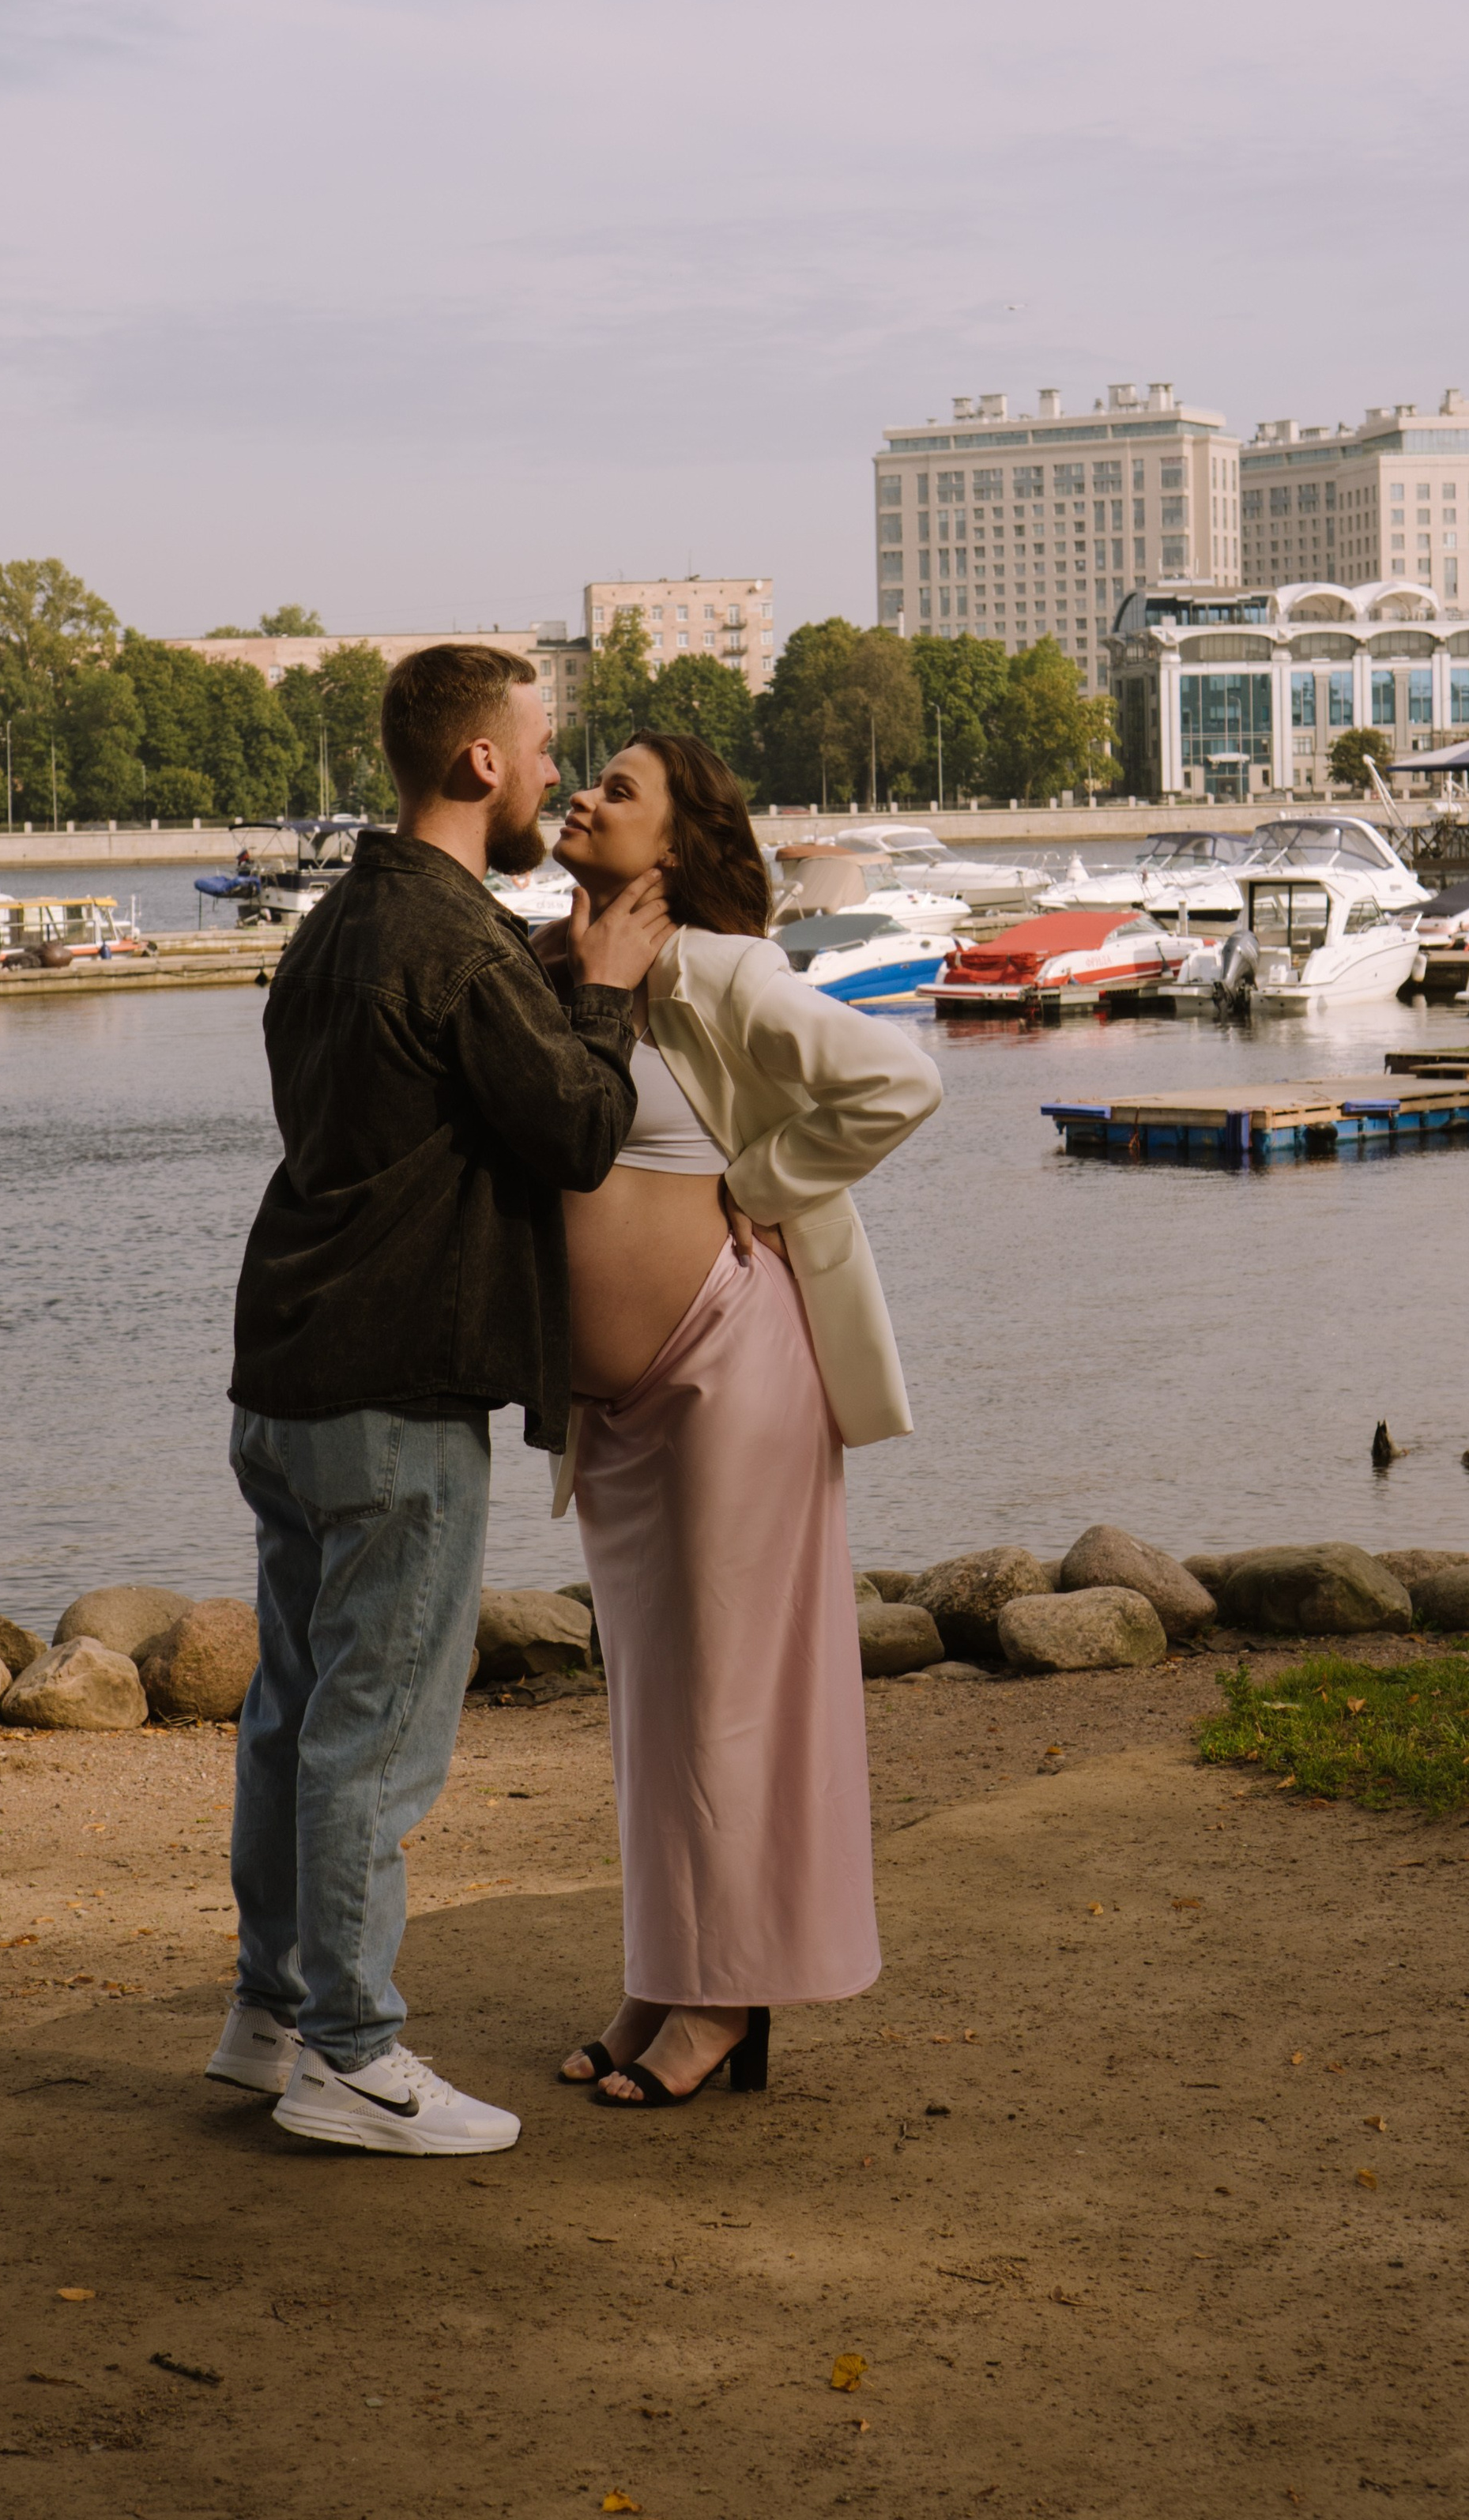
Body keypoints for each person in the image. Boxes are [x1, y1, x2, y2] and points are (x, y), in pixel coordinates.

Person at [209, 644, 673, 2157]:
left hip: (285, 1370)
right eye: (544, 746)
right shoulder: (462, 945)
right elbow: (582, 1130)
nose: (555, 770)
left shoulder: (342, 921)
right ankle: (351, 2055)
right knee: (376, 1734)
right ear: (480, 763)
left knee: (292, 1711)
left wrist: (546, 980)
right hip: (396, 1385)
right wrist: (602, 988)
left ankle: (270, 2014)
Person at [542, 733, 941, 2108]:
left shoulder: (719, 968)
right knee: (654, 1698)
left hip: (734, 1365)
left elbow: (900, 1080)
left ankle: (726, 2001)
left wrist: (764, 1181)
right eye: (585, 777)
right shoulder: (574, 972)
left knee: (730, 1699)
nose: (583, 796)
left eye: (621, 790)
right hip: (625, 1409)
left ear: (678, 844)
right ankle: (666, 1973)